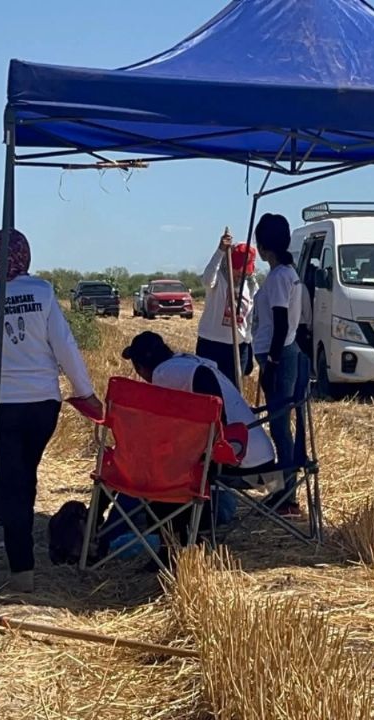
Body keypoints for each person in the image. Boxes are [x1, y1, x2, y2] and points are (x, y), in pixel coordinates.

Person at [0, 229, 102, 593]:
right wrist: (86, 393)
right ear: (25, 255)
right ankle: (22, 551)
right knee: (24, 476)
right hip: (41, 403)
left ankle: (22, 568)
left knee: (11, 483)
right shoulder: (43, 292)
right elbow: (65, 347)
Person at [111, 331, 276, 560]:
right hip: (257, 454)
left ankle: (145, 544)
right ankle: (168, 539)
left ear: (140, 367)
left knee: (154, 476)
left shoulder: (164, 375)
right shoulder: (188, 363)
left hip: (237, 458)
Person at [251, 213, 304, 517]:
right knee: (277, 427)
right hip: (278, 353)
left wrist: (271, 362)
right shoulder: (283, 274)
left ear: (263, 246)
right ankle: (281, 492)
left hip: (279, 355)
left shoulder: (280, 277)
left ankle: (288, 498)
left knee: (281, 428)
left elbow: (281, 324)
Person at [196, 229, 257, 387]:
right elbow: (207, 279)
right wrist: (220, 251)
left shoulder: (251, 285)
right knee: (208, 389)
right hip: (211, 344)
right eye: (237, 268)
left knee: (234, 390)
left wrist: (248, 342)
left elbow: (252, 316)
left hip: (239, 346)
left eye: (244, 270)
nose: (240, 274)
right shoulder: (218, 279)